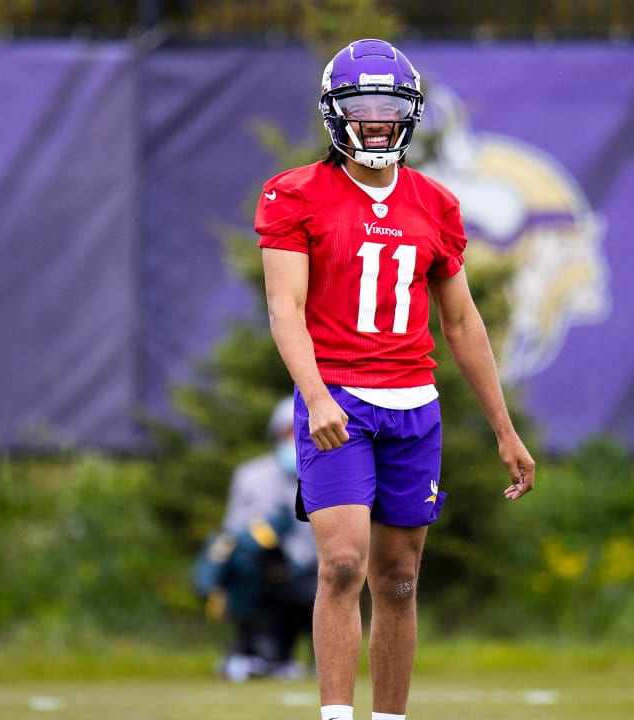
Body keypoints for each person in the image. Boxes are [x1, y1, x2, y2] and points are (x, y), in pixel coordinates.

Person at [254, 38, 536, 720]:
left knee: (401, 580)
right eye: (363, 107)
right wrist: (316, 393)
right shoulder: (295, 195)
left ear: (407, 115)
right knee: (343, 564)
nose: (376, 121)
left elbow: (463, 325)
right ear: (336, 114)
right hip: (339, 402)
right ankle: (335, 716)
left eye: (388, 108)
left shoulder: (434, 203)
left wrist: (504, 429)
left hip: (414, 405)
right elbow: (284, 309)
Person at [193, 396, 318, 682]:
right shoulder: (250, 476)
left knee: (323, 583)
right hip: (262, 573)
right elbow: (232, 530)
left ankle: (316, 658)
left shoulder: (329, 475)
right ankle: (257, 653)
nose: (295, 441)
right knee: (248, 578)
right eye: (290, 433)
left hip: (308, 572)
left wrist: (293, 563)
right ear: (276, 434)